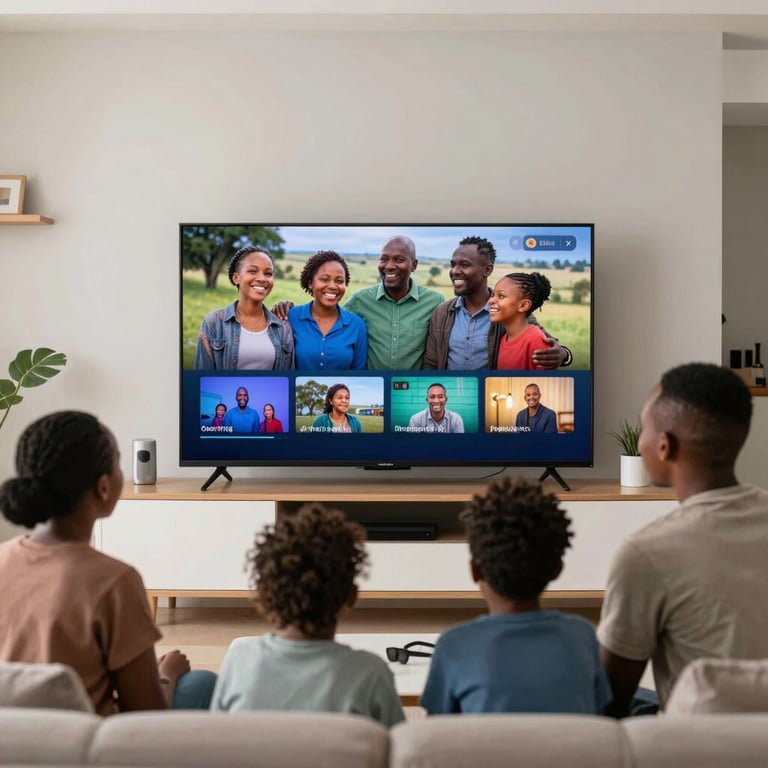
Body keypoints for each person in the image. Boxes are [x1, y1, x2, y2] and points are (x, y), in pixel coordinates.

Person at [0, 410, 217, 716]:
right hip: (87, 748)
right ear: (103, 487)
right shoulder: (114, 582)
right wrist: (167, 675)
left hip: (12, 745)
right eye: (117, 463)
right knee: (200, 682)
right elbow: (145, 717)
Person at [597, 362, 768, 716]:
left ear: (664, 447)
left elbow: (610, 700)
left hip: (700, 745)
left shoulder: (645, 554)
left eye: (643, 428)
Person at [421, 477, 611, 714]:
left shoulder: (454, 646)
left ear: (474, 570)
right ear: (557, 568)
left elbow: (434, 738)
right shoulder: (582, 635)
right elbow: (599, 716)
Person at [210, 503, 405, 726]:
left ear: (264, 596)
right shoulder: (370, 673)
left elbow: (219, 739)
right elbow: (398, 747)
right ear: (351, 597)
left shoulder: (239, 660)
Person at [423, 236, 570, 370]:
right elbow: (431, 362)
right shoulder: (442, 313)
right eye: (453, 265)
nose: (455, 271)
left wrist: (564, 354)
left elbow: (547, 343)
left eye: (465, 265)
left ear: (487, 270)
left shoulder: (507, 311)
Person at [343, 235, 444, 369]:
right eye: (384, 259)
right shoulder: (359, 300)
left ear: (414, 265)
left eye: (399, 260)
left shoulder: (435, 302)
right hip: (376, 385)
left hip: (412, 386)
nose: (389, 266)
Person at [194, 244, 294, 370]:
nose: (262, 278)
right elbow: (202, 376)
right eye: (253, 271)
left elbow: (287, 377)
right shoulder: (214, 322)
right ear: (236, 278)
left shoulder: (282, 327)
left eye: (268, 273)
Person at [287, 250, 368, 370]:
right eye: (325, 279)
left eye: (339, 281)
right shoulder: (292, 317)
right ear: (310, 283)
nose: (332, 286)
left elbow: (360, 373)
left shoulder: (356, 325)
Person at [488, 272, 553, 369]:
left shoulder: (535, 340)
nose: (490, 301)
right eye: (493, 295)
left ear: (523, 305)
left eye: (501, 296)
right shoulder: (503, 339)